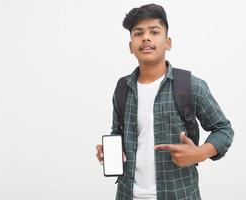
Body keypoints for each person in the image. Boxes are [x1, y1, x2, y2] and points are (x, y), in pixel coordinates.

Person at [95, 4, 234, 200]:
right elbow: (118, 131)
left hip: (180, 194)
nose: (146, 38)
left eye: (154, 31)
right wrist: (111, 151)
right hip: (127, 194)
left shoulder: (190, 85)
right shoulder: (122, 88)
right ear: (130, 46)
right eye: (138, 33)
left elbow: (224, 129)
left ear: (168, 42)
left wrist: (200, 153)